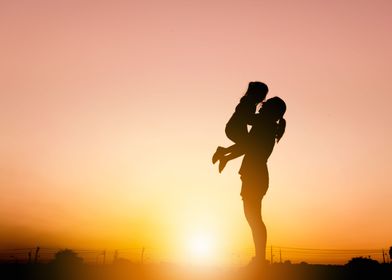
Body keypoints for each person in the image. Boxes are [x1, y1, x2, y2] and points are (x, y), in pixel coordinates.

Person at [216, 96, 287, 266]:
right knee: (254, 218)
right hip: (255, 175)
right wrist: (226, 154)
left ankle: (260, 260)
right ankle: (260, 259)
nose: (261, 107)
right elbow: (247, 146)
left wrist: (226, 153)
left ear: (271, 111)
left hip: (255, 176)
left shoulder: (264, 124)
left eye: (265, 105)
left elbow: (246, 139)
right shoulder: (266, 125)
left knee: (254, 219)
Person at [212, 82, 268, 172]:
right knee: (247, 146)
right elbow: (248, 119)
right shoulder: (247, 102)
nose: (263, 98)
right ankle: (223, 153)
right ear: (257, 93)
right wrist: (261, 119)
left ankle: (224, 156)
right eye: (263, 94)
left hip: (236, 129)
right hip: (233, 129)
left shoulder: (249, 103)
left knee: (246, 147)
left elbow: (248, 119)